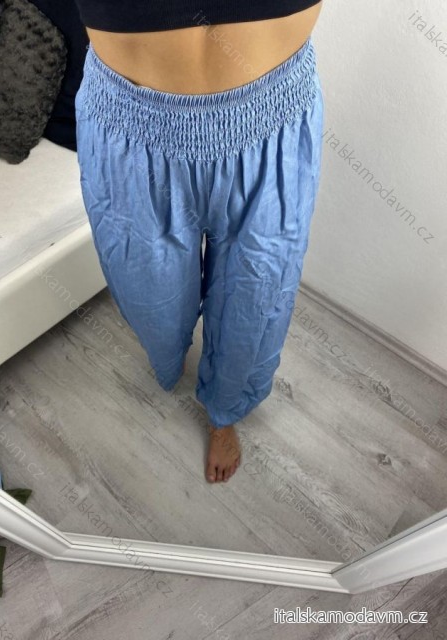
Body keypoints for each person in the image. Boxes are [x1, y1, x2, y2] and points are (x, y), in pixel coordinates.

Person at [73, 1, 324, 483]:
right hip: (130, 127)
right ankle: (170, 362)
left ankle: (224, 414)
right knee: (149, 296)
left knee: (256, 304)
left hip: (272, 124)